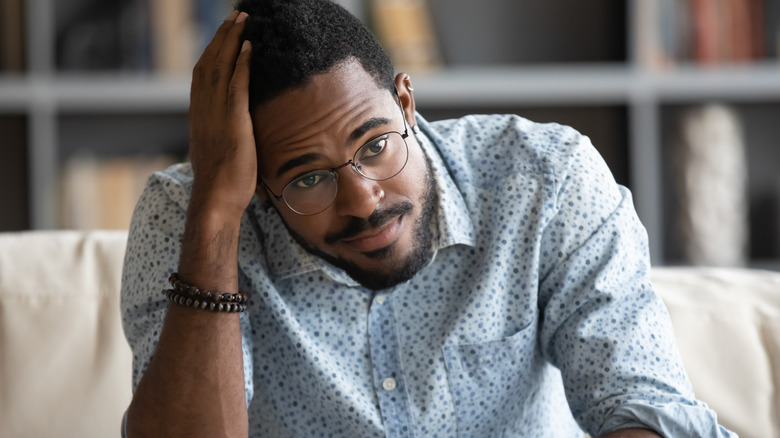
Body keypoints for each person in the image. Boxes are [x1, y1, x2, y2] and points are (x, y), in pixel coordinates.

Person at [120, 1, 736, 437]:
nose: (362, 199)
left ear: (406, 101)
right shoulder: (193, 214)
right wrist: (215, 214)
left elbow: (644, 408)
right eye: (308, 178)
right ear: (255, 179)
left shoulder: (545, 181)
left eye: (376, 144)